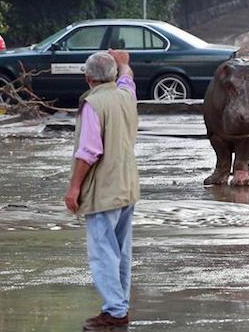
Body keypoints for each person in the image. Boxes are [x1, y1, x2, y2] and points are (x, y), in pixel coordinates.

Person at [64, 49, 140, 331]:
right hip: (127, 185)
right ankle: (118, 306)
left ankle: (116, 311)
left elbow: (88, 152)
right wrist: (124, 64)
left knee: (102, 251)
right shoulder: (125, 95)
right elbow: (128, 79)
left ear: (88, 78)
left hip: (104, 189)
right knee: (120, 250)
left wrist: (74, 188)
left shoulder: (93, 104)